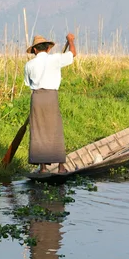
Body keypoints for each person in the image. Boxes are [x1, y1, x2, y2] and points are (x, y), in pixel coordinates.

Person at [24, 34, 77, 173]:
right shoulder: (55, 59)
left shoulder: (29, 65)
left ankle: (42, 168)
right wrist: (70, 40)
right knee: (55, 129)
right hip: (51, 97)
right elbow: (73, 54)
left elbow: (28, 84)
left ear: (35, 50)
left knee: (39, 131)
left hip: (37, 98)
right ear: (48, 48)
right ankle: (61, 167)